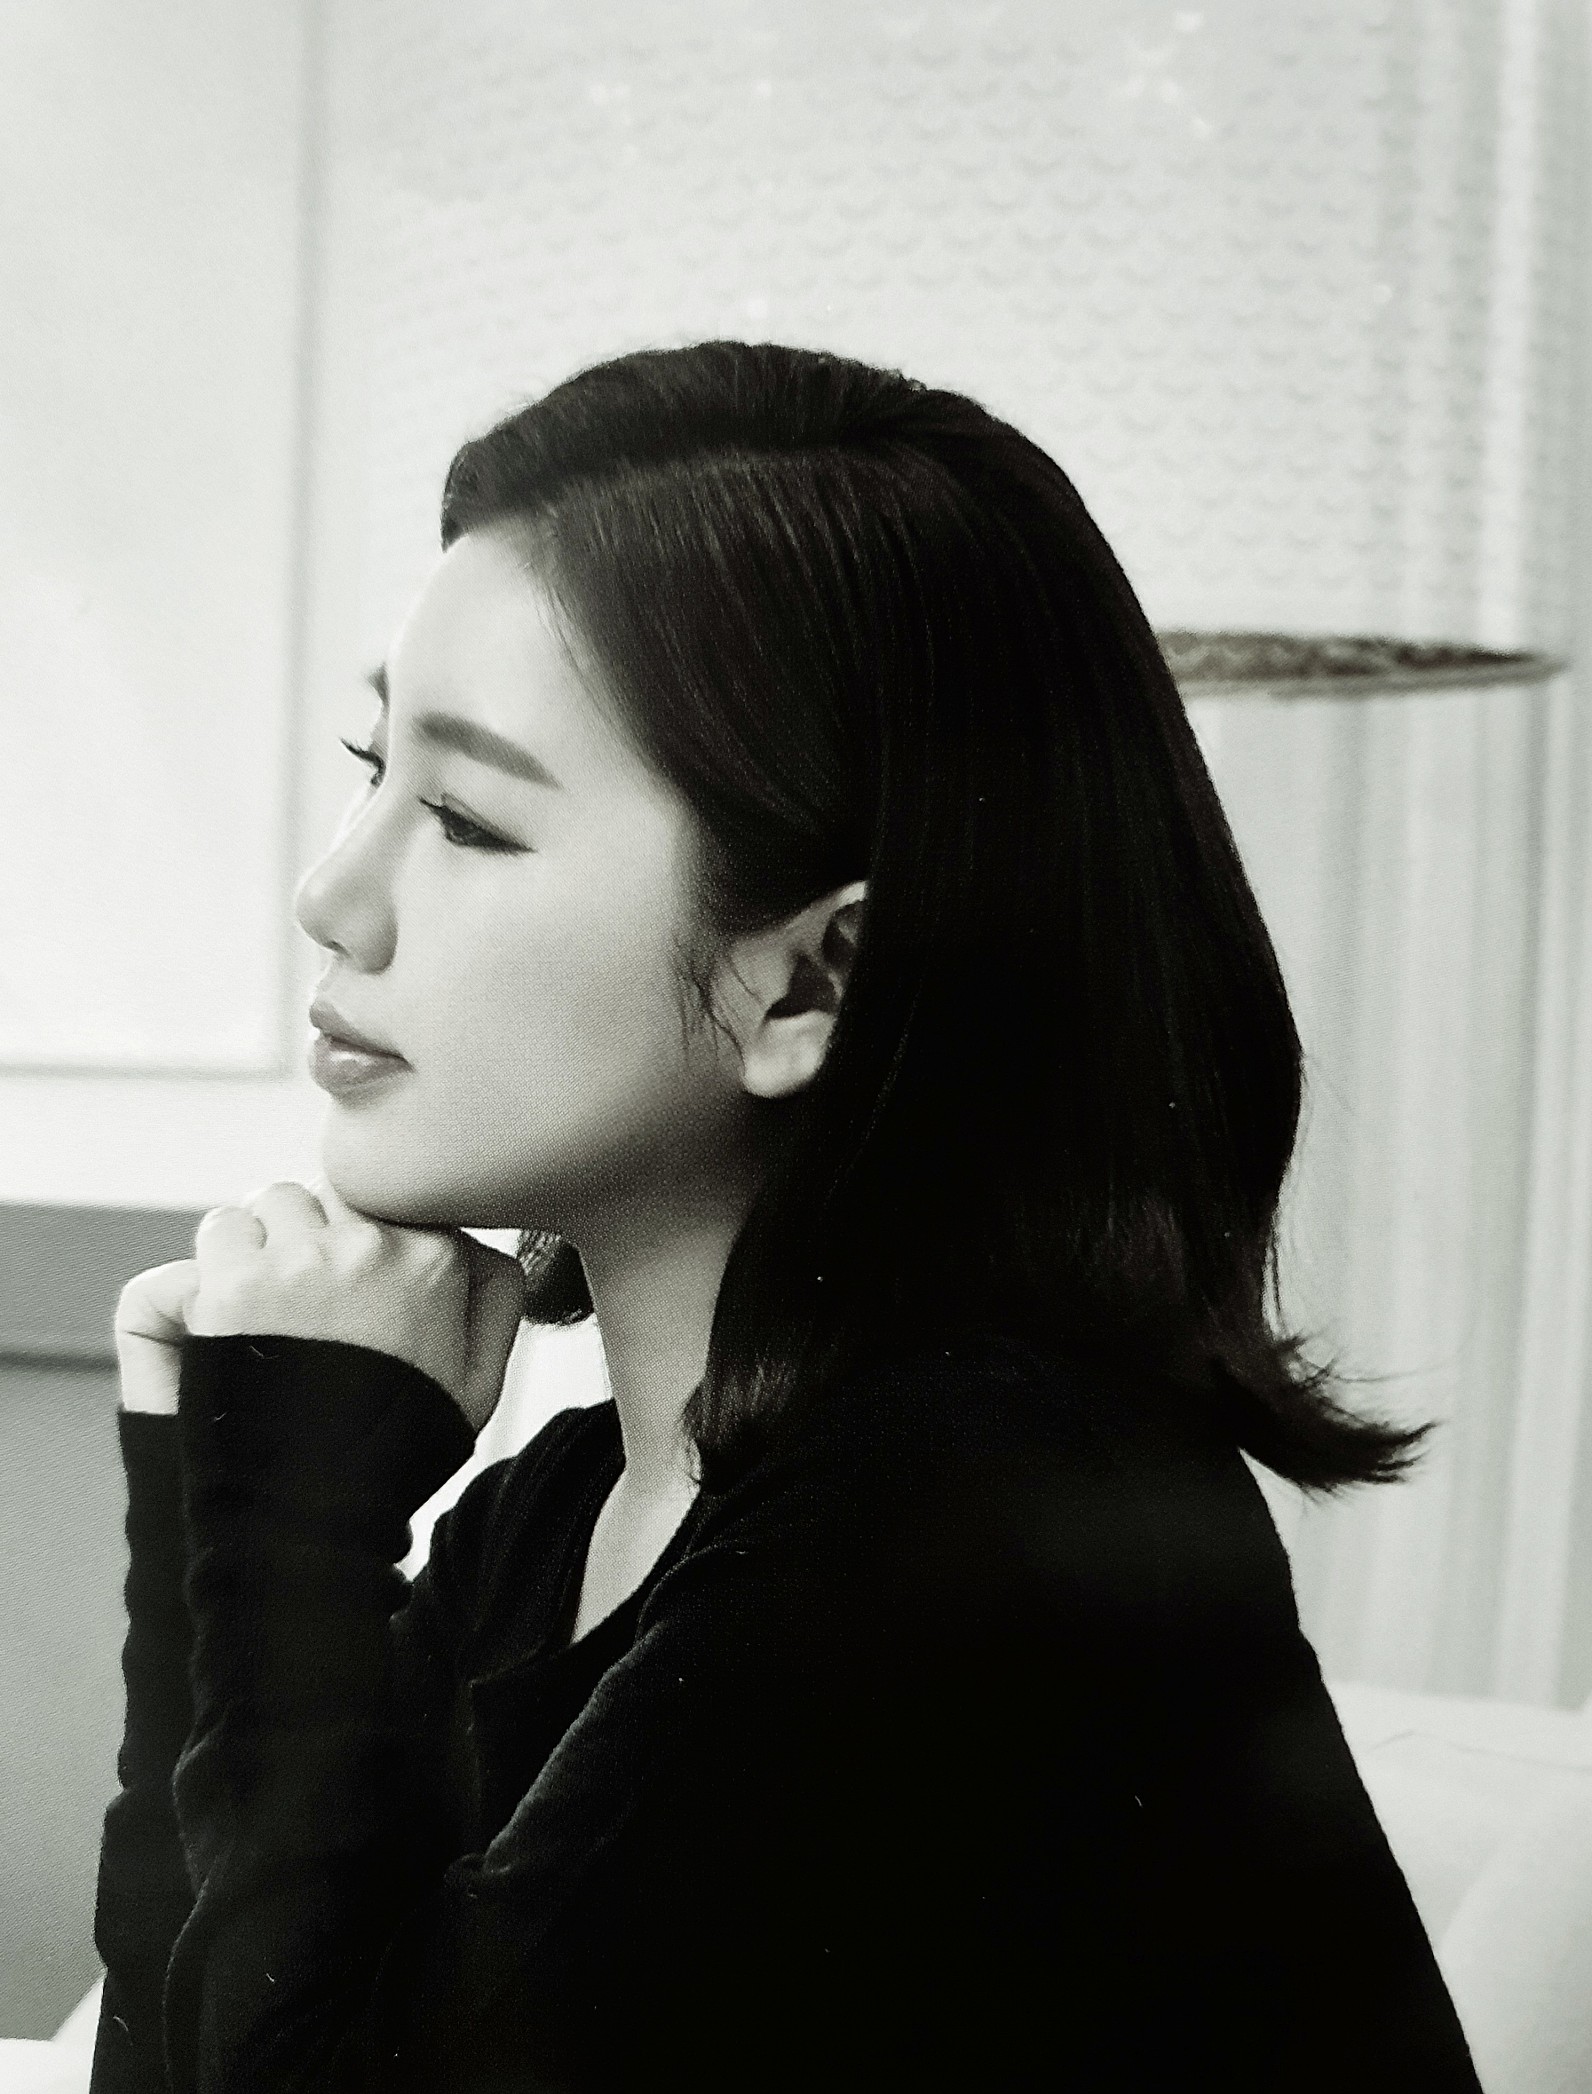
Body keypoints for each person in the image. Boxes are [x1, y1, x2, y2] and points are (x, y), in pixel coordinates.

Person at [91, 341, 1483, 2092]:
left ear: (815, 974)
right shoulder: (563, 1519)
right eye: (373, 768)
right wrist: (216, 1498)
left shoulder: (971, 1525)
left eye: (461, 815)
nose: (331, 895)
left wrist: (290, 1506)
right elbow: (190, 2052)